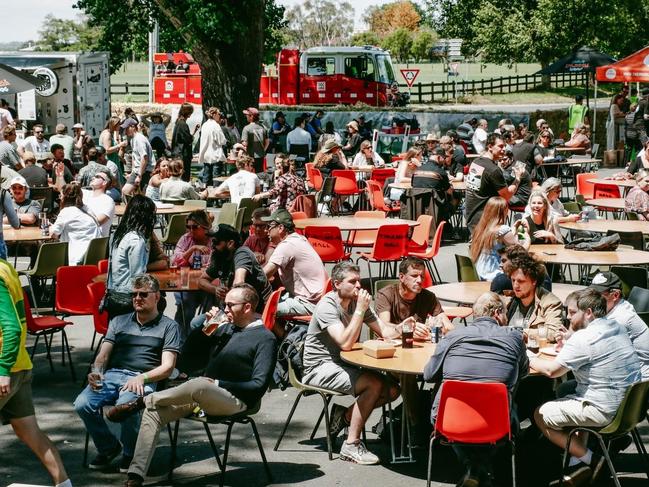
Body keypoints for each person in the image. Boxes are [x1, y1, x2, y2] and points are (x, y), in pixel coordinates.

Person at [122, 283, 276, 487]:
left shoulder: (266, 339)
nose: (225, 309)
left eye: (230, 305)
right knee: (155, 411)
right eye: (224, 304)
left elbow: (258, 386)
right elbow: (186, 360)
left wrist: (219, 383)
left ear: (247, 307)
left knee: (199, 384)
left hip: (234, 403)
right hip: (201, 406)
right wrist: (207, 328)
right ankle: (136, 475)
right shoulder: (226, 329)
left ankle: (141, 401)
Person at [532, 289, 641, 487]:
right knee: (566, 389)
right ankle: (577, 463)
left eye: (572, 312)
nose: (567, 317)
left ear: (588, 312)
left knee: (540, 414)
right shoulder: (616, 326)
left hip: (605, 410)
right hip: (630, 406)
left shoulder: (584, 338)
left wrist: (527, 359)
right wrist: (569, 343)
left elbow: (551, 371)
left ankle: (592, 459)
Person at [74, 274, 181, 473]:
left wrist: (143, 377)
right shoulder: (119, 321)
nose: (137, 298)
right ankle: (109, 447)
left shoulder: (169, 326)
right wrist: (96, 372)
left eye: (143, 294)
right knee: (82, 404)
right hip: (113, 375)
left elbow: (167, 367)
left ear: (157, 297)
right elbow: (103, 355)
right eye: (134, 295)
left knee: (125, 406)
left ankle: (130, 454)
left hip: (144, 377)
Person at [424, 292, 528, 486]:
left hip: (449, 421)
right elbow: (523, 372)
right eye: (505, 314)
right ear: (498, 313)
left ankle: (472, 466)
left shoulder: (452, 337)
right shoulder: (514, 337)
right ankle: (482, 467)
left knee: (446, 390)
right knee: (508, 396)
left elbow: (429, 375)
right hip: (497, 422)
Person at [302, 262, 401, 465]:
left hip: (345, 363)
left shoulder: (357, 303)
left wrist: (405, 327)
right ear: (337, 284)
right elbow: (346, 343)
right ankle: (351, 445)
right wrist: (360, 311)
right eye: (353, 281)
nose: (359, 286)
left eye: (359, 281)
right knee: (373, 385)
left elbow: (385, 331)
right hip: (319, 366)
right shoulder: (327, 306)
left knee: (392, 390)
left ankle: (344, 416)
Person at [0, 259, 73, 487]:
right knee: (31, 434)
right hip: (19, 365)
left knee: (31, 434)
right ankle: (64, 484)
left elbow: (11, 326)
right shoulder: (4, 266)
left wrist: (2, 369)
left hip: (6, 367)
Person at [196, 223, 271, 319]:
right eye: (212, 242)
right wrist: (215, 289)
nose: (212, 246)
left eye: (216, 242)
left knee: (204, 326)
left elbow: (239, 282)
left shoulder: (242, 253)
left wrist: (225, 313)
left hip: (253, 312)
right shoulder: (220, 256)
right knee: (197, 323)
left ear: (230, 243)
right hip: (233, 309)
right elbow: (201, 280)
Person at [262, 208, 327, 317]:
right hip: (320, 298)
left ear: (280, 228)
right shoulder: (299, 238)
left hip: (310, 303)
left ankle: (282, 334)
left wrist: (242, 284)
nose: (266, 231)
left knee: (262, 309)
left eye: (269, 227)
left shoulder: (287, 245)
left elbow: (264, 274)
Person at [105, 195, 157, 319]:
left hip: (112, 294)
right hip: (126, 298)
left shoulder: (117, 234)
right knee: (159, 301)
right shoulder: (136, 240)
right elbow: (137, 277)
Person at [589, 272, 649, 379]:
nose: (592, 300)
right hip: (623, 373)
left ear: (615, 295)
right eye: (591, 294)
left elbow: (594, 351)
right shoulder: (617, 308)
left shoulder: (620, 319)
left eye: (598, 296)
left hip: (636, 383)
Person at [375, 257, 453, 337]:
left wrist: (441, 329)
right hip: (391, 344)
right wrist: (407, 329)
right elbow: (384, 326)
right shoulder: (385, 295)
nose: (419, 280)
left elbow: (449, 326)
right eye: (414, 276)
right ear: (402, 277)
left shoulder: (428, 297)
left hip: (419, 345)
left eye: (422, 276)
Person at [465, 133, 524, 232]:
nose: (504, 149)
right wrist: (518, 178)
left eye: (505, 146)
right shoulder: (493, 170)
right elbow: (507, 195)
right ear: (490, 146)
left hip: (472, 216)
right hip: (485, 220)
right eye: (500, 146)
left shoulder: (476, 162)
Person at [504, 254, 563, 341]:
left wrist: (521, 333)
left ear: (534, 281)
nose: (515, 285)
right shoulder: (508, 300)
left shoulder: (550, 302)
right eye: (513, 280)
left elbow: (553, 332)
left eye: (521, 281)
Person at [471, 197, 530, 281]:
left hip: (479, 273)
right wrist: (526, 236)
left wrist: (514, 229)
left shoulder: (481, 228)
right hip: (496, 275)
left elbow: (504, 240)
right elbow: (521, 252)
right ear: (503, 211)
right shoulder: (502, 229)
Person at [171, 210, 213, 328]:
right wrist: (192, 249)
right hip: (189, 282)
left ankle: (204, 334)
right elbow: (175, 261)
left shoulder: (213, 240)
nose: (190, 230)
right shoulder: (186, 239)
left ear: (204, 227)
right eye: (188, 227)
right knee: (186, 306)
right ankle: (181, 338)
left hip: (207, 282)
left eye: (194, 227)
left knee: (210, 303)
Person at [50, 183, 101, 265]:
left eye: (61, 196)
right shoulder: (87, 209)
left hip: (77, 259)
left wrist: (50, 227)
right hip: (94, 256)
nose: (60, 198)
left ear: (65, 198)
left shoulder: (67, 212)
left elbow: (54, 234)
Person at [121, 118, 154, 197]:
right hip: (138, 171)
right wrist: (132, 172)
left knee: (126, 191)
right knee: (135, 194)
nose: (125, 131)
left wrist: (139, 176)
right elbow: (134, 157)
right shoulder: (133, 139)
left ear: (133, 127)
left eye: (126, 128)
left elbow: (144, 158)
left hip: (145, 171)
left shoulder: (139, 139)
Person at [82, 170, 115, 237]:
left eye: (97, 177)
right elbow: (64, 190)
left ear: (104, 182)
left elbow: (97, 222)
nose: (93, 178)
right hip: (81, 235)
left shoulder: (108, 201)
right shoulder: (85, 193)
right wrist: (60, 176)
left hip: (95, 241)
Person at [198, 106, 227, 184]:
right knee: (216, 178)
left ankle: (204, 192)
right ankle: (215, 194)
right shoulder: (216, 126)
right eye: (218, 114)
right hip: (215, 155)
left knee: (206, 177)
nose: (219, 115)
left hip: (206, 155)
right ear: (214, 115)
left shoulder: (204, 125)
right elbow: (222, 141)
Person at [171, 103, 198, 182]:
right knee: (183, 177)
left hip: (178, 153)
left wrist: (193, 133)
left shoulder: (178, 122)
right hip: (182, 155)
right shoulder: (182, 124)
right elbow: (187, 140)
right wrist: (191, 137)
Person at [240, 107, 269, 173]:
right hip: (261, 156)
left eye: (247, 115)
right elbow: (267, 142)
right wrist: (262, 150)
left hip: (250, 156)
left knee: (251, 174)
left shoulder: (246, 128)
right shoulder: (264, 127)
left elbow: (245, 144)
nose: (246, 116)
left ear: (251, 116)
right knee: (260, 173)